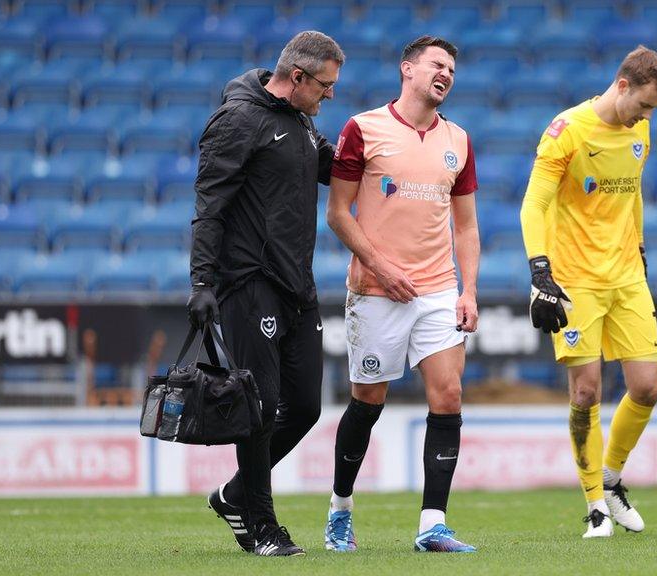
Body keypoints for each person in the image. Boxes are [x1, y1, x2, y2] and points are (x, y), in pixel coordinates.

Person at [187, 31, 344, 556]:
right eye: (325, 86)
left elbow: (332, 165)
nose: (330, 96)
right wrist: (203, 283)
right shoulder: (237, 120)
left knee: (303, 407)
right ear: (296, 77)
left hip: (296, 283)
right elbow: (210, 207)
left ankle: (234, 494)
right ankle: (260, 528)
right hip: (249, 282)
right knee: (259, 406)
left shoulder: (299, 120)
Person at [323, 35, 480, 553]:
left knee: (449, 394)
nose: (447, 75)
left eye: (452, 70)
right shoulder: (363, 129)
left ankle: (432, 525)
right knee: (368, 400)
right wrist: (379, 266)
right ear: (407, 69)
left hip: (437, 289)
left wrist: (469, 290)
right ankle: (340, 509)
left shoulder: (458, 139)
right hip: (375, 290)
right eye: (438, 65)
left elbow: (466, 227)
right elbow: (338, 214)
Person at [519, 46, 657, 538]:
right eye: (644, 106)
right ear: (622, 85)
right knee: (586, 392)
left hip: (627, 275)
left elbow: (633, 193)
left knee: (648, 387)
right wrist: (540, 272)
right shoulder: (566, 130)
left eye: (653, 111)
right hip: (576, 280)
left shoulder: (639, 129)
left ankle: (610, 480)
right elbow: (533, 204)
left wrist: (642, 246)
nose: (646, 118)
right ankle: (594, 508)